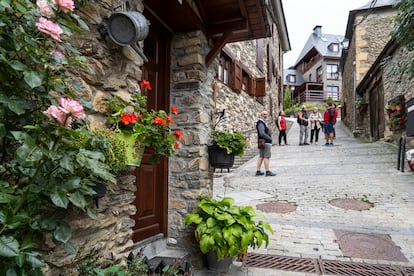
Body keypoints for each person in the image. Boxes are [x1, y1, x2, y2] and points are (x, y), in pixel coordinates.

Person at [256, 111, 276, 176]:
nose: (265, 116)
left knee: (261, 156)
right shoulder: (261, 123)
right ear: (261, 115)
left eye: (266, 114)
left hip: (262, 142)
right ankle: (267, 171)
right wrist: (269, 138)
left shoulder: (262, 123)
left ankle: (258, 171)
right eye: (264, 114)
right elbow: (262, 133)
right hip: (265, 142)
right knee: (266, 157)